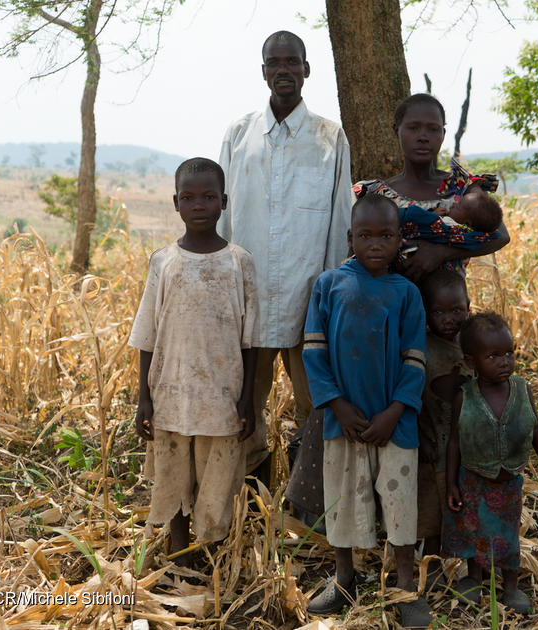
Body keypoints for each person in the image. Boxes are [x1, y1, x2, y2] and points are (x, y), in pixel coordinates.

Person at [218, 30, 354, 485]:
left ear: (306, 69)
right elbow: (224, 220)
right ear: (263, 72)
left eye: (292, 62)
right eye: (274, 63)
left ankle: (305, 500)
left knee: (316, 407)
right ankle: (252, 503)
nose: (283, 71)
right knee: (242, 408)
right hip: (248, 303)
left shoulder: (329, 137)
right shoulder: (239, 135)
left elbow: (339, 223)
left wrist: (331, 298)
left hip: (308, 303)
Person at [303, 195, 433, 628]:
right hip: (344, 422)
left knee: (400, 505)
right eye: (365, 235)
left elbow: (416, 359)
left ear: (399, 240)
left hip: (395, 424)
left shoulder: (407, 293)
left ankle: (404, 586)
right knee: (340, 501)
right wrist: (337, 405)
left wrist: (395, 411)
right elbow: (314, 353)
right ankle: (343, 579)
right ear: (350, 237)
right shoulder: (329, 285)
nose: (375, 243)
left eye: (385, 235)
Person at [130, 158, 258, 563]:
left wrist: (247, 400)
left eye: (207, 197)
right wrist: (143, 399)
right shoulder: (163, 261)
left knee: (218, 478)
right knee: (172, 476)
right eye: (188, 197)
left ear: (223, 201)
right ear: (175, 203)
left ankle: (214, 552)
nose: (198, 204)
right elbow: (147, 335)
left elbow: (250, 342)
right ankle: (179, 551)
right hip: (170, 394)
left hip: (222, 396)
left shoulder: (239, 262)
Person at [444, 312, 538, 613]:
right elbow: (455, 441)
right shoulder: (465, 397)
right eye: (493, 356)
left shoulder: (521, 389)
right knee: (474, 530)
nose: (504, 362)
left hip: (507, 482)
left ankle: (510, 586)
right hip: (472, 478)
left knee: (507, 535)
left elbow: (535, 427)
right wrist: (451, 484)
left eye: (509, 353)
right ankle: (474, 578)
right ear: (472, 362)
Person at [353, 94, 510, 282]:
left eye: (433, 129)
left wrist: (441, 253)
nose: (423, 137)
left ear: (443, 134)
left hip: (448, 308)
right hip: (388, 307)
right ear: (396, 131)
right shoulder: (373, 195)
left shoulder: (462, 189)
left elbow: (501, 236)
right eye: (413, 128)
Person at [415, 269, 473, 588]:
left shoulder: (473, 345)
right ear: (426, 313)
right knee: (431, 509)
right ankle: (433, 563)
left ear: (468, 306)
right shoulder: (421, 346)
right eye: (439, 312)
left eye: (456, 311)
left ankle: (472, 566)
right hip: (432, 440)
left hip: (466, 445)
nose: (448, 319)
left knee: (468, 502)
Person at [397, 188, 502, 260]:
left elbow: (417, 218)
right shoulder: (476, 238)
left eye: (458, 206)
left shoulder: (449, 225)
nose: (453, 204)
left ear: (466, 223)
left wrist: (432, 215)